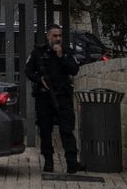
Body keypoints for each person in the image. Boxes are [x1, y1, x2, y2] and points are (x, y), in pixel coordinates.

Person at [26, 24, 83, 174]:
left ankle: (71, 162)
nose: (58, 39)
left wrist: (61, 56)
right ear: (48, 37)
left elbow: (74, 70)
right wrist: (40, 80)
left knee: (67, 130)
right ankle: (49, 162)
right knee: (45, 131)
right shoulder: (38, 52)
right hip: (44, 98)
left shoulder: (67, 52)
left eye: (60, 36)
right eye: (55, 36)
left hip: (63, 98)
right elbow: (28, 71)